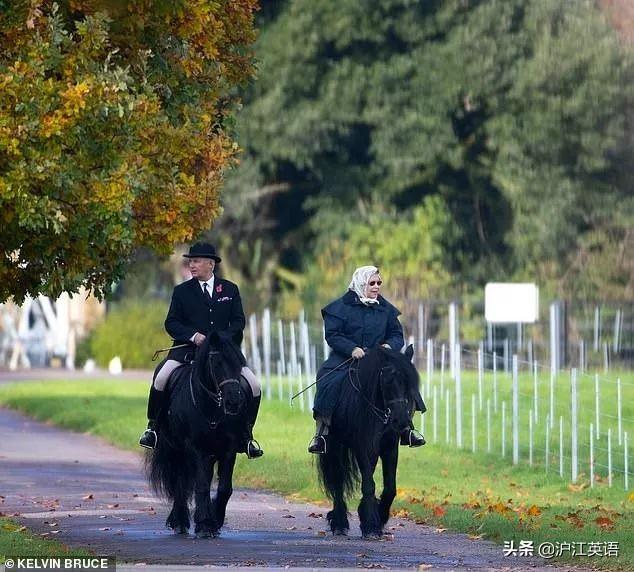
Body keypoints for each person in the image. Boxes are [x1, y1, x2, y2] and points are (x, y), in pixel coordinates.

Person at [139, 242, 263, 459]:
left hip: (223, 355)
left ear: (210, 264)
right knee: (161, 378)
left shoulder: (230, 290)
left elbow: (238, 322)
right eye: (190, 261)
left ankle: (247, 435)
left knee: (253, 384)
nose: (191, 265)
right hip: (187, 352)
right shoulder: (181, 292)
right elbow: (172, 323)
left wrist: (219, 339)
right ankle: (153, 429)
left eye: (196, 261)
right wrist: (194, 336)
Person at [308, 265, 426, 454]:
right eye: (372, 283)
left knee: (401, 380)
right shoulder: (340, 307)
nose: (377, 286)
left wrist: (388, 346)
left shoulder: (386, 308)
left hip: (380, 359)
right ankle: (322, 433)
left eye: (379, 283)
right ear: (361, 283)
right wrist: (352, 348)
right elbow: (332, 335)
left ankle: (407, 428)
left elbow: (397, 334)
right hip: (346, 359)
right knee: (327, 380)